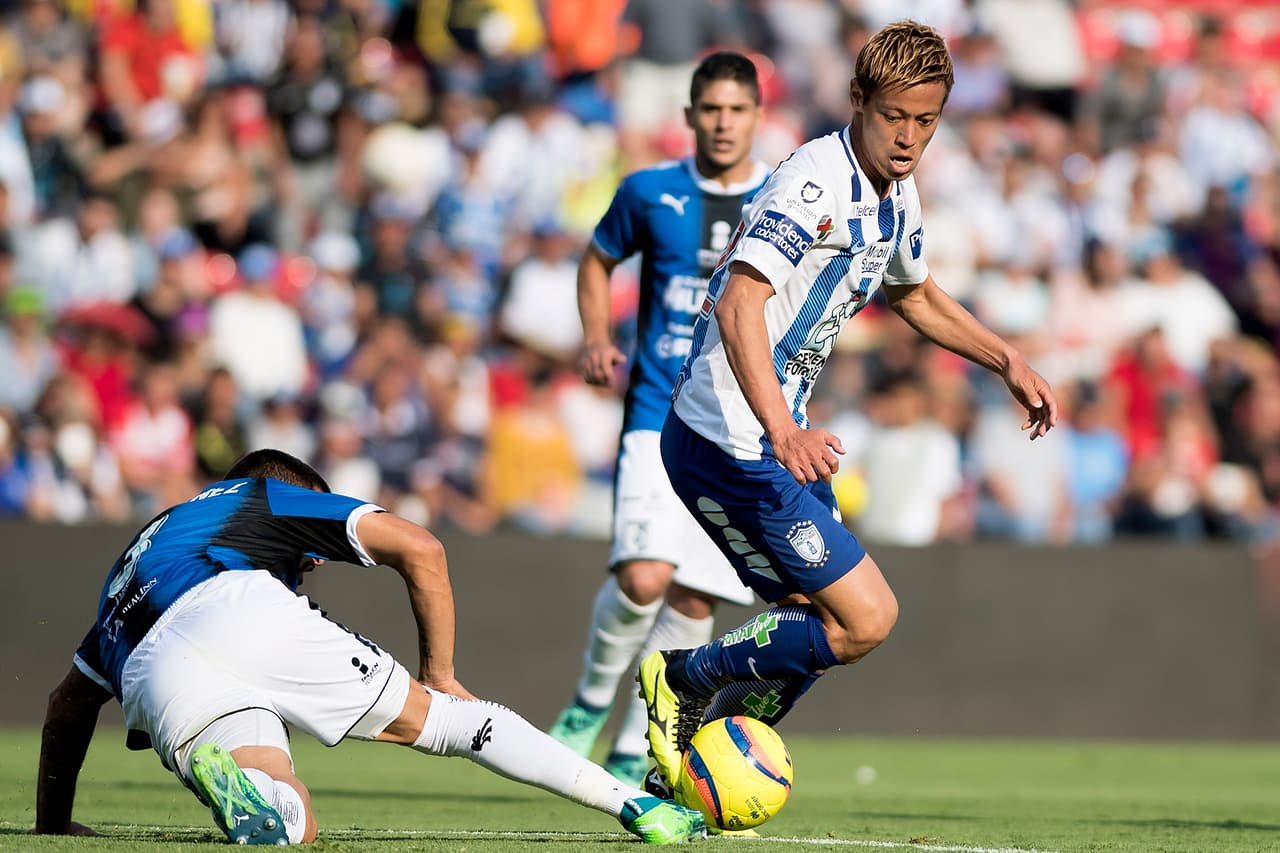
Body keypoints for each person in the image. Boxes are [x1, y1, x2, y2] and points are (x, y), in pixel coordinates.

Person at [638, 20, 1059, 791]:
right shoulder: (815, 181)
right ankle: (681, 676)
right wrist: (783, 429)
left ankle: (688, 775)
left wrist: (1007, 358)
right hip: (726, 435)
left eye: (924, 121)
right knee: (867, 618)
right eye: (893, 116)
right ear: (858, 100)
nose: (907, 137)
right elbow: (739, 304)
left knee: (814, 627)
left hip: (769, 438)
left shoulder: (897, 194)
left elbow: (916, 294)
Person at [33, 448, 706, 845]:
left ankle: (263, 801)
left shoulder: (130, 563)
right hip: (235, 603)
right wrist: (439, 672)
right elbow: (421, 547)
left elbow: (67, 707)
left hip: (152, 674)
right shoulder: (261, 494)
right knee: (450, 720)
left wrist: (54, 826)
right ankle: (633, 803)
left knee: (292, 812)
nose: (315, 564)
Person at [547, 51, 770, 786]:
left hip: (738, 428)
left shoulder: (781, 200)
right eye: (712, 109)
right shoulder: (649, 192)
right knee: (644, 576)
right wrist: (595, 336)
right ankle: (587, 701)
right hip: (654, 412)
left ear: (756, 116)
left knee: (694, 595)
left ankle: (642, 736)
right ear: (689, 117)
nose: (724, 122)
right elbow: (595, 259)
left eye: (737, 109)